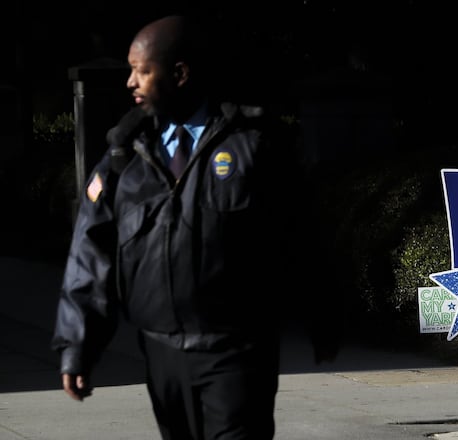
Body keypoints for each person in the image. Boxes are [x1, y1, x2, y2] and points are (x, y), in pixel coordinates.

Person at [51, 14, 338, 439]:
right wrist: (78, 346)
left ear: (180, 73)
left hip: (237, 352)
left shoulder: (253, 144)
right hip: (159, 351)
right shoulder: (123, 157)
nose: (130, 82)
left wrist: (324, 314)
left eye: (142, 71)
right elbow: (90, 254)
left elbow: (301, 234)